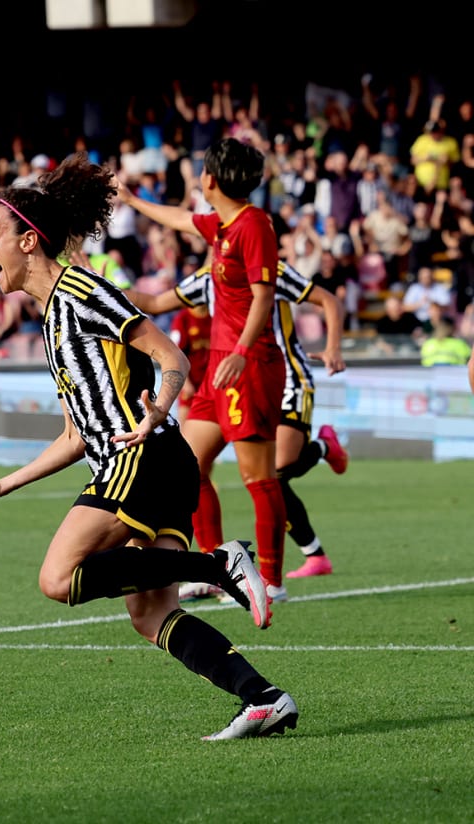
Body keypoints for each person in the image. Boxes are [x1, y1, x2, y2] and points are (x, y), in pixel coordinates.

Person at [0, 152, 298, 740]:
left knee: (58, 579)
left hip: (143, 457)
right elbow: (77, 435)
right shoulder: (53, 318)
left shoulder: (81, 292)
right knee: (150, 613)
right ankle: (264, 698)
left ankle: (218, 563)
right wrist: (2, 485)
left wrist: (157, 411)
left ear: (29, 242)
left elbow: (169, 357)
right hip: (148, 462)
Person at [115, 137, 289, 602]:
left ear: (210, 179)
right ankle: (216, 566)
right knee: (188, 469)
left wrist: (241, 349)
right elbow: (181, 219)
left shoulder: (254, 226)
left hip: (248, 365)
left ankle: (271, 580)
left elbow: (263, 296)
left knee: (258, 476)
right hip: (219, 368)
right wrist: (132, 200)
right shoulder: (224, 227)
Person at [127, 259, 348, 585]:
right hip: (232, 379)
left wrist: (333, 347)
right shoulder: (210, 274)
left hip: (283, 376)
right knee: (190, 466)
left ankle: (322, 449)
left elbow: (329, 300)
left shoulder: (269, 267)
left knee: (278, 468)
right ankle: (213, 570)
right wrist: (100, 288)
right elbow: (156, 302)